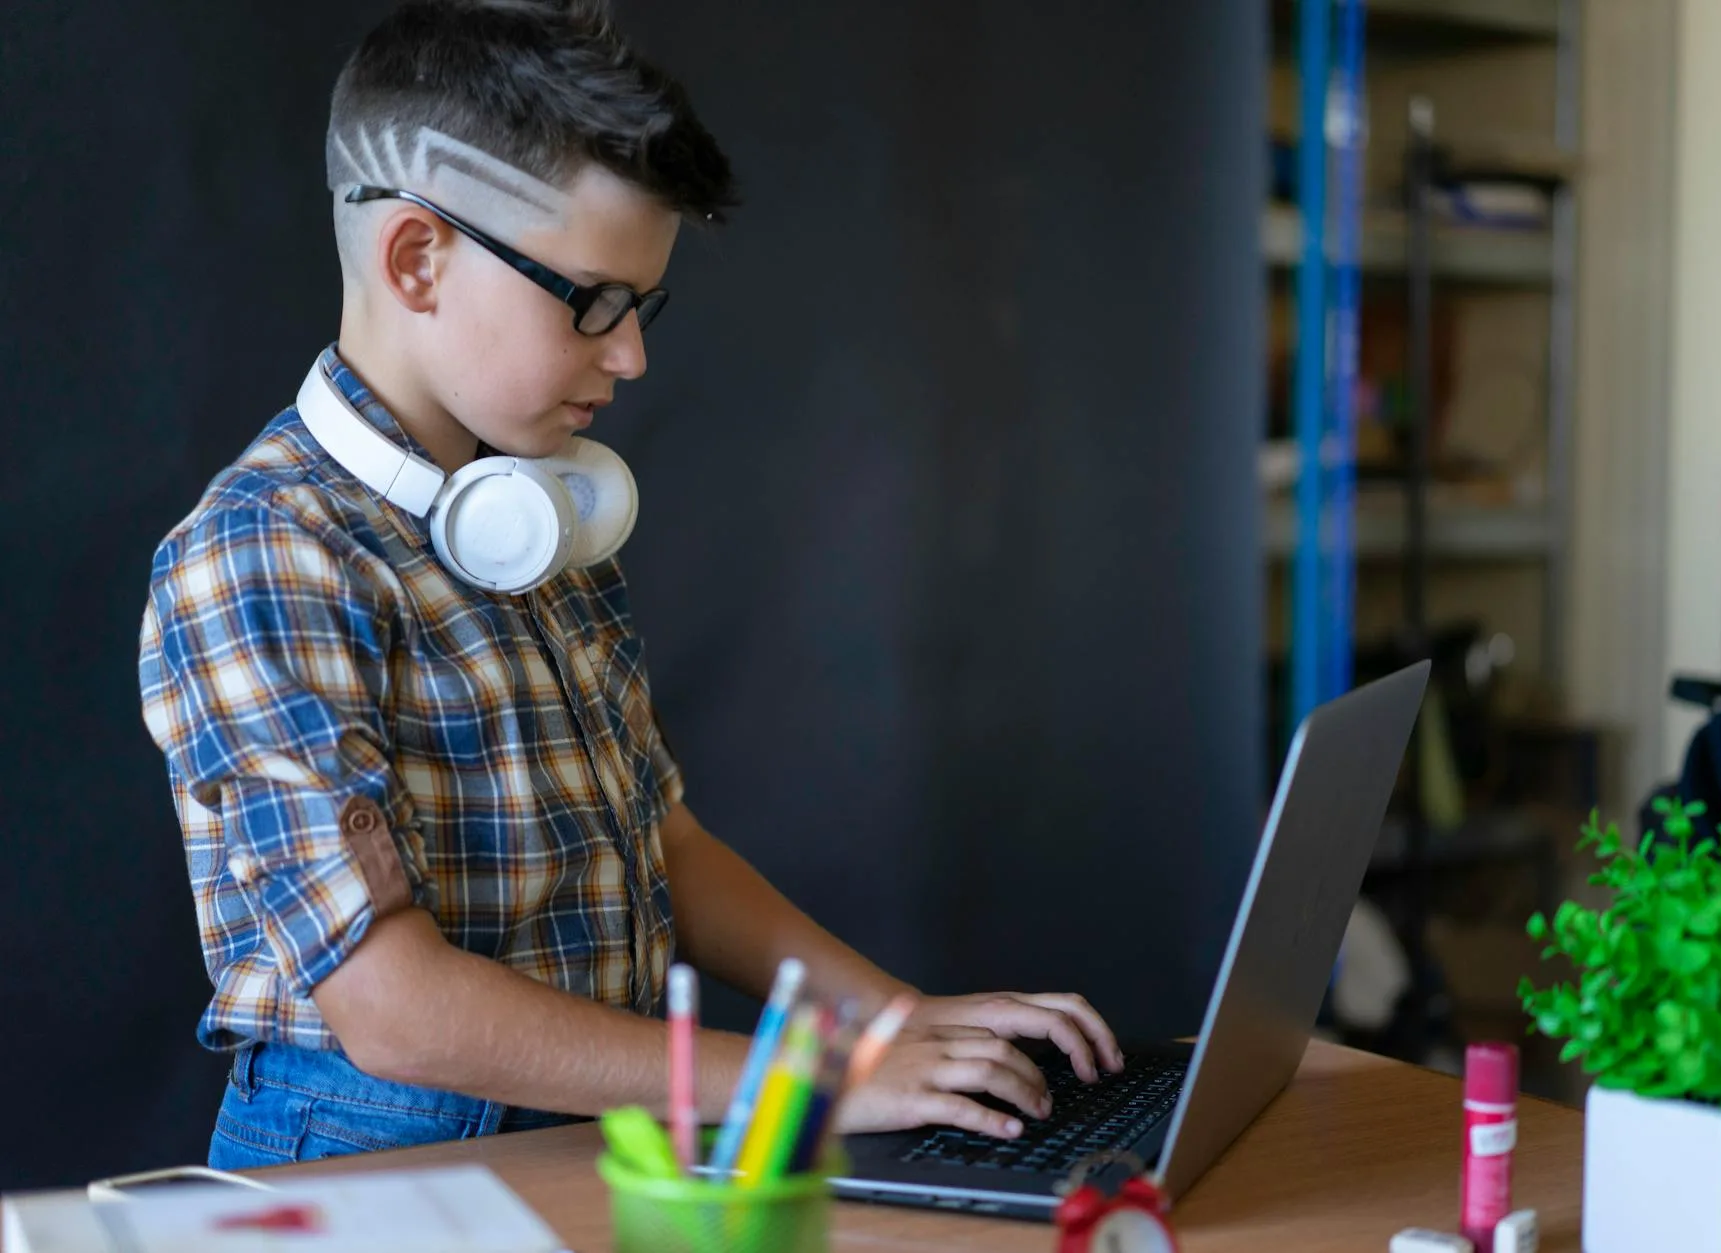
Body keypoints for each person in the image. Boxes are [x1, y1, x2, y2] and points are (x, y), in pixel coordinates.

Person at [136, 0, 1122, 1169]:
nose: (631, 355)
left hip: (603, 1119)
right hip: (375, 1157)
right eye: (591, 300)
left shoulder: (533, 515)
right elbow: (389, 1008)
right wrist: (801, 1080)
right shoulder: (262, 551)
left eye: (640, 307)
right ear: (415, 257)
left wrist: (886, 1018)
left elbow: (665, 841)